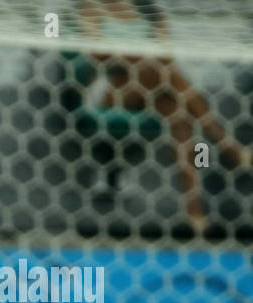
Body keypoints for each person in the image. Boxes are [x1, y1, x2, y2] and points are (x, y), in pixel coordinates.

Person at [74, 0, 251, 235]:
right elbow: (97, 55)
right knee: (160, 71)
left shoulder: (146, 8)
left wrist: (140, 56)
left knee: (177, 114)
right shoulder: (90, 6)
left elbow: (166, 51)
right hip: (112, 88)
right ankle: (228, 148)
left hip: (155, 86)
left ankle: (194, 210)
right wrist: (139, 57)